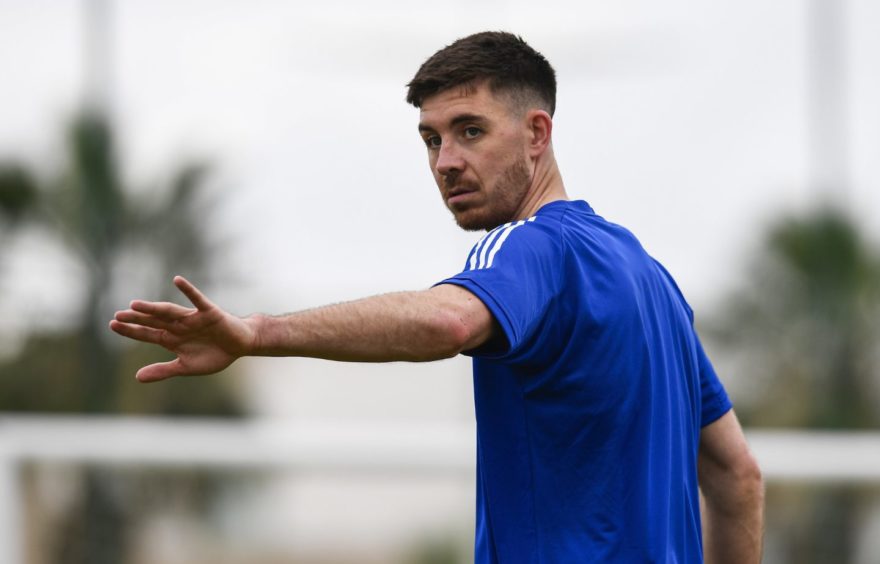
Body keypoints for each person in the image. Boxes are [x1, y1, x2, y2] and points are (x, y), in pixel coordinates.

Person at [110, 31, 764, 563]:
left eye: (470, 130)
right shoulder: (654, 282)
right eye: (431, 138)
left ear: (537, 134)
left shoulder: (531, 249)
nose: (445, 160)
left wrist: (257, 333)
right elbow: (738, 478)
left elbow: (450, 321)